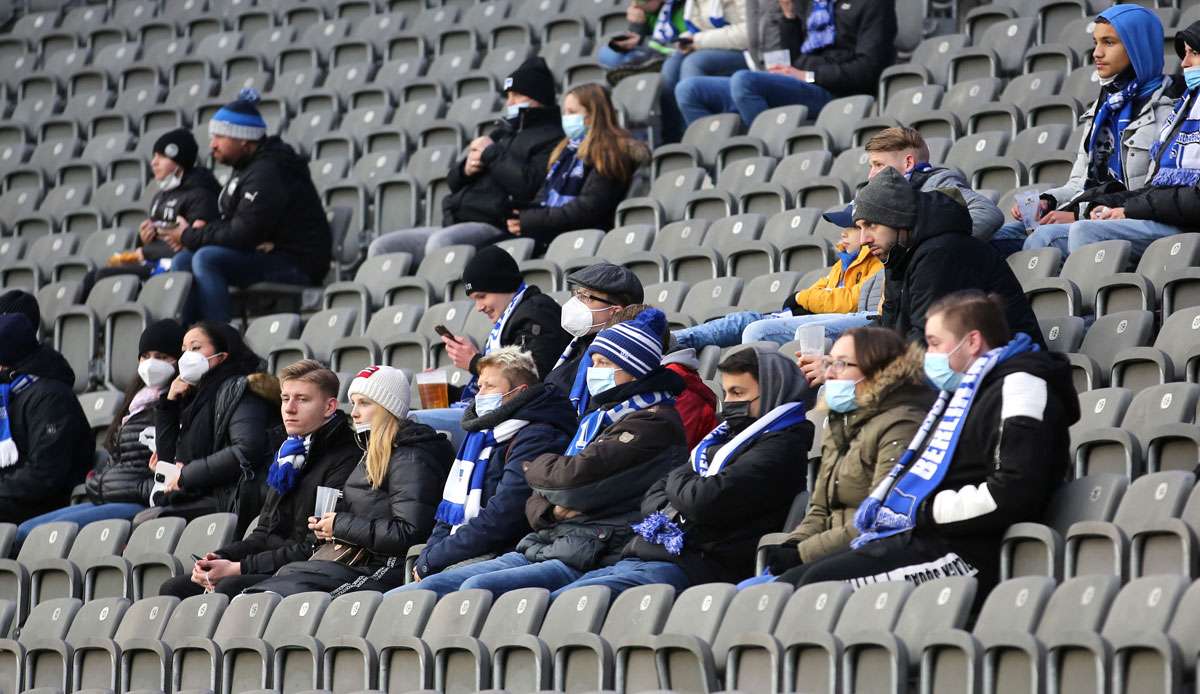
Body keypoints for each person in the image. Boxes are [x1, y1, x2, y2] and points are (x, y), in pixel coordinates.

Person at [777, 291, 1078, 594]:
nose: (927, 355)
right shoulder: (963, 392)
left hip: (971, 551)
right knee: (794, 580)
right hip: (927, 537)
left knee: (809, 588)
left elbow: (1013, 492)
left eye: (934, 343)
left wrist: (921, 510)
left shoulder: (1021, 386)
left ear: (972, 341)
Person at [385, 308, 687, 597]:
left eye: (603, 364)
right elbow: (541, 498)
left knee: (470, 590)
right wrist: (552, 502)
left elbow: (568, 482)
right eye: (592, 362)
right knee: (403, 598)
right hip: (554, 541)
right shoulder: (602, 418)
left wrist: (540, 473)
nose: (593, 372)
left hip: (587, 549)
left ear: (633, 367)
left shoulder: (650, 421)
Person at [555, 345, 812, 597]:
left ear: (771, 392)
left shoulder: (782, 447)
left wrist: (680, 478)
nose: (730, 403)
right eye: (726, 393)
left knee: (564, 602)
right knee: (553, 600)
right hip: (651, 554)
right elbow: (652, 497)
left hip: (697, 565)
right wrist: (685, 481)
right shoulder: (721, 438)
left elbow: (705, 499)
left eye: (738, 393)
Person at [247, 366, 454, 596]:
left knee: (290, 590)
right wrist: (330, 526)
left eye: (364, 403)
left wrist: (340, 525)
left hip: (389, 565)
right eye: (353, 403)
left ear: (388, 408)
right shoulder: (373, 449)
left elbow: (408, 533)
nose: (354, 412)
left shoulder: (411, 457)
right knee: (278, 581)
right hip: (363, 557)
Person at [159, 361, 360, 598]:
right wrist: (221, 557)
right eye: (285, 399)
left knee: (228, 587)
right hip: (276, 563)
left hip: (309, 570)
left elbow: (315, 546)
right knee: (174, 587)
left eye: (302, 400)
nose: (289, 409)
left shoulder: (346, 457)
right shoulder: (288, 451)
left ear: (329, 407)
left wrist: (239, 568)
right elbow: (264, 531)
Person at [992, 5, 1172, 256]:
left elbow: (1150, 195)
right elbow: (1080, 183)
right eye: (1095, 42)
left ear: (1137, 47)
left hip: (1125, 219)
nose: (1097, 53)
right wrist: (1047, 201)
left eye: (1108, 42)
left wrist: (1078, 213)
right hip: (1090, 212)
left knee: (1044, 240)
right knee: (995, 240)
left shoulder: (1170, 111)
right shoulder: (1103, 108)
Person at [760, 327, 934, 576]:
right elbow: (819, 509)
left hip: (873, 552)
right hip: (832, 550)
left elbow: (879, 518)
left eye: (841, 364)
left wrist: (803, 553)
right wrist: (793, 544)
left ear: (877, 371)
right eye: (829, 362)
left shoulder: (902, 425)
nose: (828, 373)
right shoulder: (839, 421)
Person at [401, 348, 575, 589]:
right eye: (479, 386)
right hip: (466, 550)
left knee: (406, 599)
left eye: (490, 387)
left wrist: (435, 559)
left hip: (504, 550)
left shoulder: (539, 436)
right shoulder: (480, 436)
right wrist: (428, 556)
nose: (480, 395)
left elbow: (504, 516)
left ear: (519, 392)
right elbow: (447, 516)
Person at [368, 57, 565, 263]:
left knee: (441, 243)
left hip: (495, 225)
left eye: (517, 95)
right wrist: (466, 169)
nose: (510, 102)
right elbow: (453, 181)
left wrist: (491, 154)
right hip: (456, 220)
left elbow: (529, 185)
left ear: (538, 98)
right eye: (508, 96)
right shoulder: (502, 134)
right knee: (382, 247)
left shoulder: (552, 138)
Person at [163, 88, 332, 323]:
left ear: (244, 139)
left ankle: (218, 342)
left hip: (297, 263)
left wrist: (191, 234)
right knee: (183, 259)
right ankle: (187, 341)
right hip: (268, 252)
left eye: (220, 137)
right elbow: (239, 227)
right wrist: (199, 232)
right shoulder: (247, 167)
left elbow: (242, 232)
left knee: (207, 258)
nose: (212, 145)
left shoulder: (267, 171)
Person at [15, 320, 185, 542]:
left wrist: (115, 485)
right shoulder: (136, 404)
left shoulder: (177, 406)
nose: (151, 363)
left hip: (137, 502)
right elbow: (117, 460)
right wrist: (98, 481)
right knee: (24, 529)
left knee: (30, 535)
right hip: (110, 496)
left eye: (161, 357)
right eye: (146, 356)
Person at [848, 167, 1041, 346]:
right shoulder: (899, 253)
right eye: (860, 228)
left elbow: (924, 339)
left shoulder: (941, 253)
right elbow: (890, 327)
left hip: (1005, 369)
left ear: (899, 220)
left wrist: (868, 367)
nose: (863, 239)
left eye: (872, 225)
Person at [1058, 24, 1200, 257]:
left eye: (1194, 53)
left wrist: (1128, 210)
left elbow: (1192, 198)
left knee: (1086, 232)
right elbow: (1155, 188)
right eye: (1183, 54)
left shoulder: (1171, 107)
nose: (1184, 63)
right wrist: (1104, 206)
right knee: (1043, 236)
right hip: (1164, 214)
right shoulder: (1186, 109)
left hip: (1186, 225)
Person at [672, 210, 881, 350]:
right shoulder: (841, 266)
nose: (843, 233)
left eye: (851, 227)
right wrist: (813, 297)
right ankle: (674, 340)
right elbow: (818, 293)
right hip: (802, 317)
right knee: (739, 321)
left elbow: (850, 300)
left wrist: (802, 297)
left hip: (821, 323)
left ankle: (673, 340)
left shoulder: (876, 263)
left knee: (749, 326)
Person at [675, 0, 896, 130]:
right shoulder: (813, 3)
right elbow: (794, 57)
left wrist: (808, 76)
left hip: (834, 90)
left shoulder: (874, 3)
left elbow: (867, 70)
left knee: (745, 81)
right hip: (800, 80)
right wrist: (789, 15)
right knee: (690, 90)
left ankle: (768, 156)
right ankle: (720, 172)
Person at [150, 322, 277, 534]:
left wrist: (187, 475)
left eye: (196, 348)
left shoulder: (242, 391)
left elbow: (246, 450)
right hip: (204, 491)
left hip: (233, 495)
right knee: (153, 517)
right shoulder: (195, 397)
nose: (186, 357)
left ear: (222, 355)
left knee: (154, 520)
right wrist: (168, 406)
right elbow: (167, 458)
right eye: (184, 350)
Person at [506, 83, 649, 254]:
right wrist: (521, 217)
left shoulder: (610, 153)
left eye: (572, 113)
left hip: (582, 239)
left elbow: (588, 208)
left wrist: (531, 220)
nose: (566, 118)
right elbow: (543, 196)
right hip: (551, 233)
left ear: (593, 116)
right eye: (565, 112)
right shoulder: (566, 150)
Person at [96, 129, 220, 290]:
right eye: (154, 156)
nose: (154, 162)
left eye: (161, 157)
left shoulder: (201, 195)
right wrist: (144, 238)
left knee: (103, 276)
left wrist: (146, 252)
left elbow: (195, 247)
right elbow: (154, 241)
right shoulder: (161, 196)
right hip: (154, 260)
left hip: (174, 265)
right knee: (93, 275)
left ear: (179, 162)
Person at [0, 311, 93, 524]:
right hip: (13, 495)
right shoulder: (8, 394)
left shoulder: (51, 397)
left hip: (45, 503)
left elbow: (45, 474)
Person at [864, 127, 1003, 240]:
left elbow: (987, 212)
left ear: (908, 163)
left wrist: (941, 246)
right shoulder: (886, 198)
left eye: (878, 165)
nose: (870, 176)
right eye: (871, 166)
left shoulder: (937, 183)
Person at [653, 0, 753, 144]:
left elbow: (747, 33)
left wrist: (698, 41)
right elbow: (701, 27)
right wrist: (687, 39)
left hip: (748, 53)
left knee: (693, 63)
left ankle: (702, 140)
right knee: (671, 66)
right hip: (712, 46)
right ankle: (674, 140)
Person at [546, 262, 644, 396]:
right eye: (577, 293)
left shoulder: (615, 360)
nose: (575, 302)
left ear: (615, 312)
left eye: (585, 297)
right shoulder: (579, 342)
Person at [599, 0, 686, 71]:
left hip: (673, 55)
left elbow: (682, 48)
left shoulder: (684, 11)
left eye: (640, 1)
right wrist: (638, 25)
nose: (634, 5)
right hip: (651, 49)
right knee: (608, 54)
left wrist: (642, 41)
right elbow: (636, 40)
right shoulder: (647, 10)